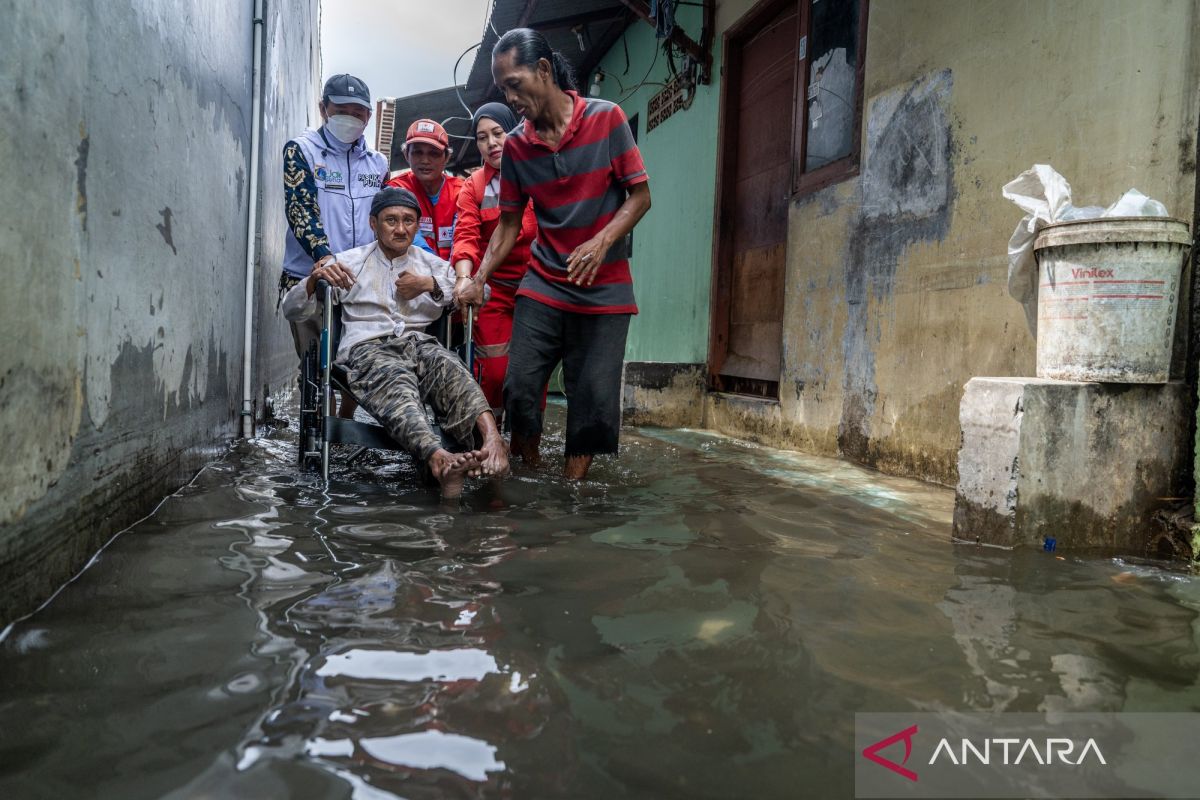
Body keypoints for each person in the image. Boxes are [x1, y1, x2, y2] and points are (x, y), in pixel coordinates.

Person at [456, 29, 651, 481]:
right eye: (503, 87)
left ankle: (571, 492)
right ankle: (528, 478)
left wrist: (602, 242)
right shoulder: (519, 147)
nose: (510, 96)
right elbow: (508, 224)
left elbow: (640, 197)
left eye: (514, 83)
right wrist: (479, 277)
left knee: (592, 399)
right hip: (544, 282)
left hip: (605, 290)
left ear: (543, 71)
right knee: (520, 387)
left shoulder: (607, 119)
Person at [281, 188, 508, 497]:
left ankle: (493, 441)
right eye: (391, 220)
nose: (401, 229)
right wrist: (312, 280)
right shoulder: (349, 262)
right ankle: (438, 458)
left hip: (420, 345)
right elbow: (291, 309)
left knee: (451, 368)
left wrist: (429, 285)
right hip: (368, 350)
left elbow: (483, 292)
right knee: (397, 383)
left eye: (408, 221)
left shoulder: (430, 265)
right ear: (374, 223)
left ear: (417, 225)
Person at [280, 73, 388, 418]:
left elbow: (383, 219)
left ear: (368, 117)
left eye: (358, 112)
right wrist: (324, 259)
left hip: (359, 283)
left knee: (354, 363)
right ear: (324, 108)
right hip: (311, 279)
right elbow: (300, 210)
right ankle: (317, 438)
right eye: (341, 109)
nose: (351, 118)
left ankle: (343, 426)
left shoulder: (378, 164)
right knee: (315, 365)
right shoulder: (302, 151)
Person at [450, 102, 542, 420]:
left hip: (539, 286)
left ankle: (527, 440)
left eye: (498, 133)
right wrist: (464, 279)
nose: (491, 143)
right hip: (494, 288)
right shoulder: (473, 186)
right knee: (494, 371)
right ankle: (492, 436)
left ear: (513, 132)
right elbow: (465, 239)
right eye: (482, 137)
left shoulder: (539, 172)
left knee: (531, 371)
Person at [385, 120, 464, 261]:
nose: (425, 160)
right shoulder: (396, 189)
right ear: (406, 154)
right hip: (412, 274)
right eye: (417, 153)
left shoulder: (462, 191)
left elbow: (464, 240)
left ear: (447, 157)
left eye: (434, 154)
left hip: (456, 275)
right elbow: (412, 240)